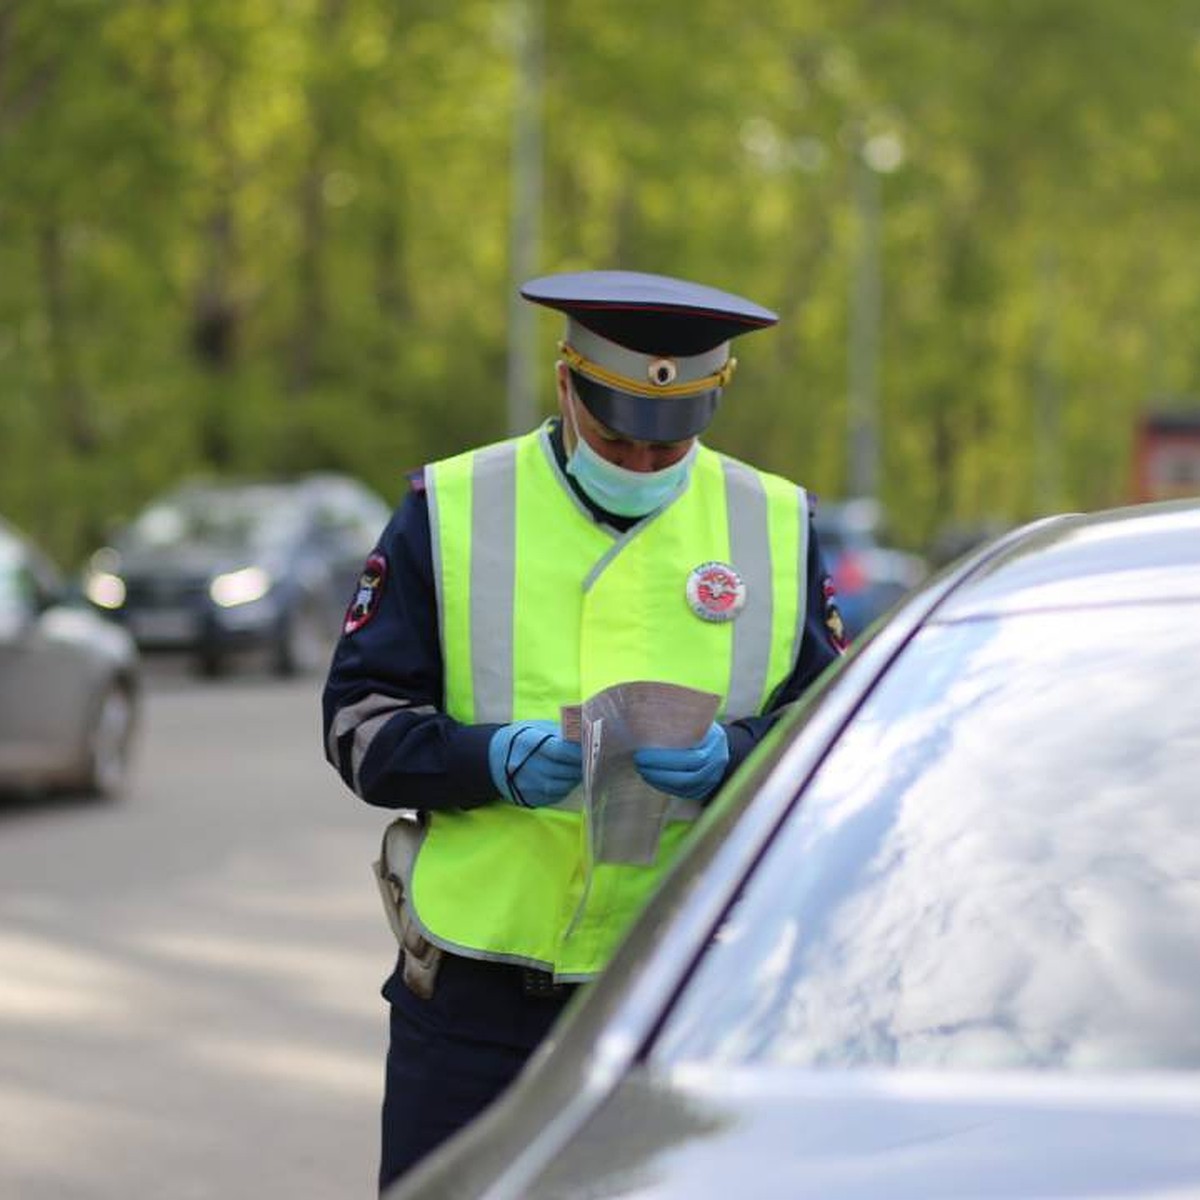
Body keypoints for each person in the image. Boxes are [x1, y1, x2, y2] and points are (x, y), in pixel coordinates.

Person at [321, 269, 845, 1193]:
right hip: (479, 1001)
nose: (644, 462)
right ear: (567, 383)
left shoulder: (775, 520)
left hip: (687, 993)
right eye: (617, 436)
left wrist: (740, 756)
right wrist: (491, 761)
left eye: (673, 440)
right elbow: (358, 722)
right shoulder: (449, 506)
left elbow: (840, 729)